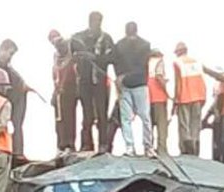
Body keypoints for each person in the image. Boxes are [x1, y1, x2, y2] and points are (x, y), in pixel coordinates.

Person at [73, 11, 115, 153]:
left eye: (99, 21)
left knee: (102, 114)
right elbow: (71, 51)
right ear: (90, 21)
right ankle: (86, 144)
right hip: (84, 81)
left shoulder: (106, 38)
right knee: (87, 114)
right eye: (95, 21)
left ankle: (103, 144)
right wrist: (81, 55)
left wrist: (95, 57)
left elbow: (112, 58)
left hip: (100, 82)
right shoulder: (79, 38)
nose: (97, 24)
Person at [113, 22, 153, 157]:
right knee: (145, 117)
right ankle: (148, 147)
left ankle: (130, 148)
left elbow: (114, 62)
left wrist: (120, 77)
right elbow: (143, 65)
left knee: (126, 119)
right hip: (140, 83)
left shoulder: (119, 45)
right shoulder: (145, 45)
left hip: (125, 85)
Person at [171, 42, 206, 156]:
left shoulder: (177, 62)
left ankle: (186, 149)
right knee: (195, 124)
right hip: (199, 96)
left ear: (179, 52)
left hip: (184, 96)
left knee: (184, 124)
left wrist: (175, 100)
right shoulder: (197, 62)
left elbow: (178, 82)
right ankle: (196, 147)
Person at [48, 30, 78, 154]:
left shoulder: (71, 53)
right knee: (59, 119)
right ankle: (60, 145)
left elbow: (70, 71)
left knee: (69, 117)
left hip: (70, 88)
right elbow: (55, 73)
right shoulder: (56, 56)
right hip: (59, 90)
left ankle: (70, 145)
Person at [146, 48, 169, 156]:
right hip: (159, 97)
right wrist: (168, 91)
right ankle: (162, 149)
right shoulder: (159, 62)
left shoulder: (146, 63)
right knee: (162, 126)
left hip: (147, 97)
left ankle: (148, 148)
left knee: (149, 124)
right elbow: (159, 77)